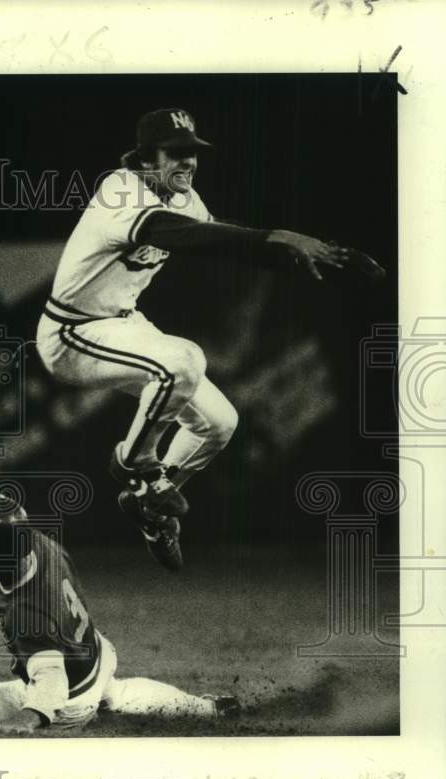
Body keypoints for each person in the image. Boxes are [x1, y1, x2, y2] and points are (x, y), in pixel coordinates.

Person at [35, 107, 361, 571]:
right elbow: (183, 236)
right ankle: (133, 465)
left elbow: (218, 239)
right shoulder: (119, 190)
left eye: (193, 154)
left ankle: (148, 507)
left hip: (123, 324)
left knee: (220, 423)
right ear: (147, 159)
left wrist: (301, 256)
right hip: (72, 332)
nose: (188, 163)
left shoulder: (184, 198)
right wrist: (277, 234)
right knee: (184, 360)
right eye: (176, 153)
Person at [0, 494, 239, 734]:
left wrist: (30, 717)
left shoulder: (27, 615)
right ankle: (206, 709)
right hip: (95, 656)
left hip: (67, 700)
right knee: (115, 694)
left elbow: (51, 680)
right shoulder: (37, 545)